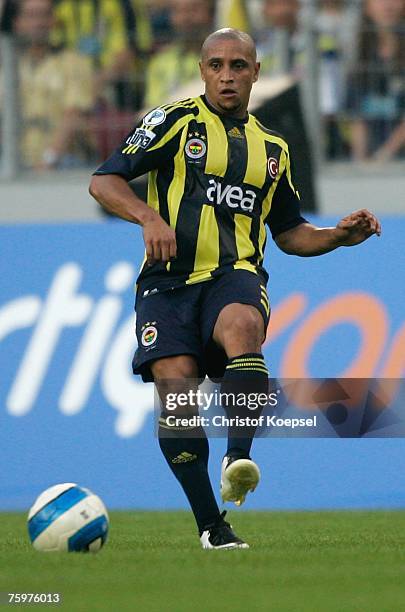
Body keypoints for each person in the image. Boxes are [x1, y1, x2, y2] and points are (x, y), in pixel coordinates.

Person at [89, 28, 381, 549]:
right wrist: (147, 216)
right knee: (175, 393)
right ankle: (212, 526)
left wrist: (337, 235)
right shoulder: (174, 121)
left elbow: (291, 234)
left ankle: (238, 456)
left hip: (235, 273)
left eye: (239, 66)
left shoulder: (273, 149)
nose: (228, 76)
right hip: (168, 283)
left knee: (243, 324)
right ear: (203, 71)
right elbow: (105, 180)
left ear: (255, 73)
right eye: (218, 65)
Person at [3, 0, 95, 170]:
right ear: (17, 22)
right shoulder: (7, 67)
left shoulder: (73, 62)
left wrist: (49, 159)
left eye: (44, 15)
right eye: (31, 16)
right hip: (15, 160)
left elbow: (73, 116)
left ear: (54, 20)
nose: (39, 23)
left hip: (65, 160)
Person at [346, 0, 405, 161]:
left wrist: (385, 154)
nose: (388, 5)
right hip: (370, 164)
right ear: (366, 6)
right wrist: (362, 160)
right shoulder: (359, 56)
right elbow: (356, 116)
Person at [144, 0, 215, 108]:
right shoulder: (160, 62)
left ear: (211, 14)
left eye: (193, 10)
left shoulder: (225, 59)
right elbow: (152, 108)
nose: (185, 18)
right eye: (177, 11)